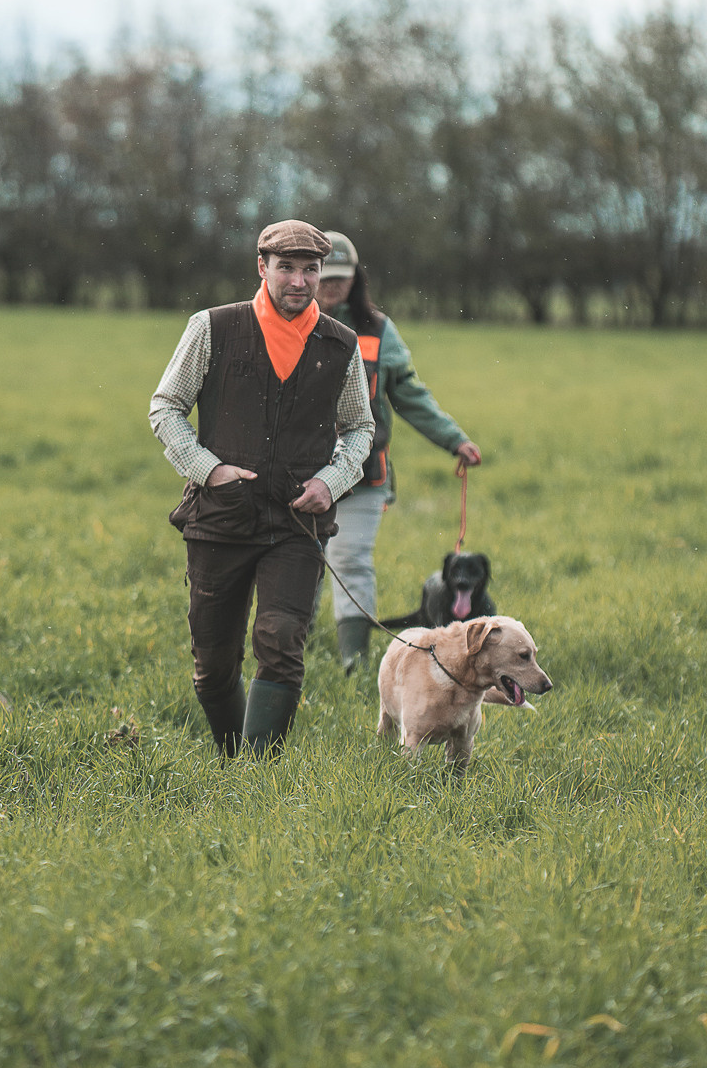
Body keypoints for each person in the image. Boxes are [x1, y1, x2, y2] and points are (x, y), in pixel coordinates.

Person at [149, 221, 375, 756]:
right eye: (287, 268)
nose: (300, 281)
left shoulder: (340, 346)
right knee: (212, 664)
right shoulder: (212, 328)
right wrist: (209, 470)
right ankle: (232, 760)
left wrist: (332, 480)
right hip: (220, 517)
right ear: (262, 268)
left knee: (280, 640)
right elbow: (166, 406)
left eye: (311, 270)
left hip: (296, 525)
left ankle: (257, 771)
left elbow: (360, 428)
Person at [314, 231, 482, 672]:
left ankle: (354, 662)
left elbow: (408, 393)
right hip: (297, 469)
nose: (331, 287)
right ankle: (292, 649)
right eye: (323, 276)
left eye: (341, 277)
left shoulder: (377, 331)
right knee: (299, 562)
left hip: (363, 472)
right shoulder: (284, 324)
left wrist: (453, 438)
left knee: (349, 558)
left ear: (356, 277)